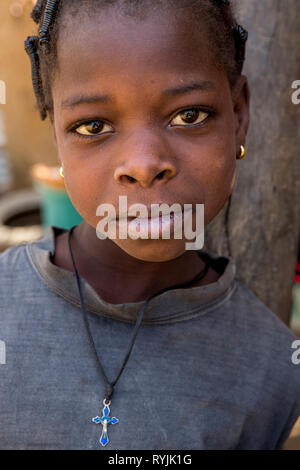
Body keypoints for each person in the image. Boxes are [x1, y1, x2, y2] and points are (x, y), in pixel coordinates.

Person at [0, 0, 299, 450]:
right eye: (93, 125)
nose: (143, 166)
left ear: (238, 114)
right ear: (58, 137)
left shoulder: (274, 364)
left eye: (189, 115)